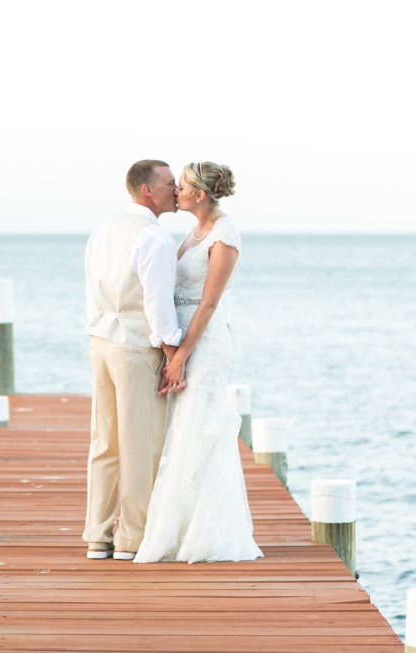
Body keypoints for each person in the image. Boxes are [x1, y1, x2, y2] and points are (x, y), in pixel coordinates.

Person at [134, 161, 263, 564]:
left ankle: (207, 535)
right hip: (182, 339)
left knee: (201, 429)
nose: (176, 191)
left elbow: (208, 303)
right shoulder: (194, 231)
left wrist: (182, 355)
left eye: (182, 186)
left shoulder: (225, 236)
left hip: (204, 342)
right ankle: (179, 527)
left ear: (199, 195)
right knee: (182, 431)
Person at [82, 159, 183, 561]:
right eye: (170, 184)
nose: (176, 190)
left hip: (100, 341)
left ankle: (97, 535)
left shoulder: (102, 230)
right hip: (135, 346)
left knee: (104, 441)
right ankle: (132, 538)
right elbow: (158, 306)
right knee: (140, 443)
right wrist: (172, 354)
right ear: (148, 190)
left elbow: (92, 286)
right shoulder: (154, 238)